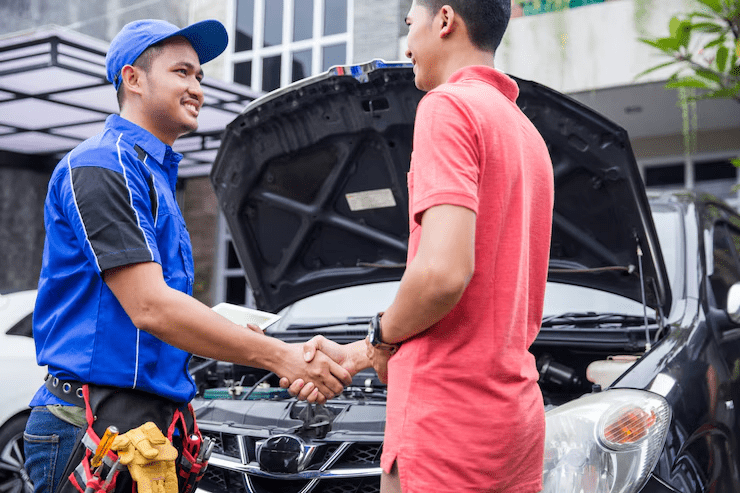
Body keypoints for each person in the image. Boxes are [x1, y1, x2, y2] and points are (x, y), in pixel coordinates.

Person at [24, 19, 351, 493]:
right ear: (133, 79)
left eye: (199, 76)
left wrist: (233, 335)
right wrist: (282, 358)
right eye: (182, 72)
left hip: (148, 423)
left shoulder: (153, 174)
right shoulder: (102, 165)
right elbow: (150, 306)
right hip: (94, 424)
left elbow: (156, 313)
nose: (197, 87)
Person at [283, 1, 554, 491]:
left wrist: (382, 338)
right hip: (512, 421)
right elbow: (478, 307)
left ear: (445, 20)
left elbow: (441, 275)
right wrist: (362, 353)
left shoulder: (448, 106)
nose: (406, 47)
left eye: (410, 26)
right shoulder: (527, 133)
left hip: (444, 425)